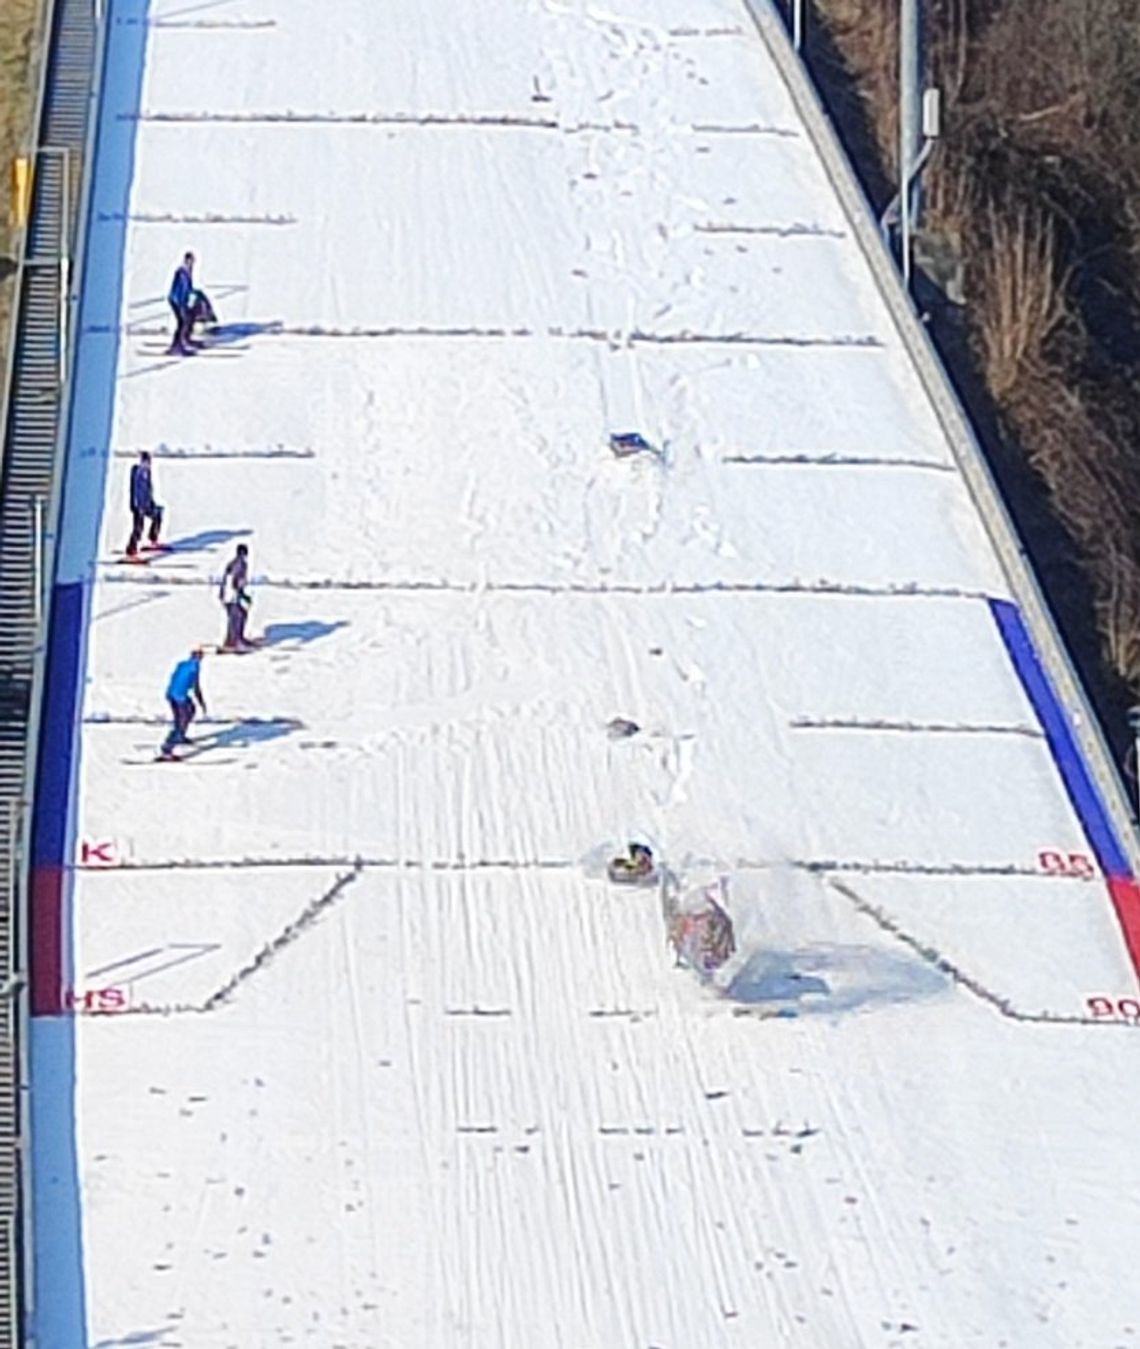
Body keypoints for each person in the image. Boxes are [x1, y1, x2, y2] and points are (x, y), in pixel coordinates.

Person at [161, 648, 206, 759]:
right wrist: (202, 702)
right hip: (180, 697)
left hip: (171, 694)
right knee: (182, 720)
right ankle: (168, 747)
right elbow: (196, 688)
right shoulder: (194, 668)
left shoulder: (182, 664)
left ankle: (179, 736)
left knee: (189, 711)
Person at [125, 450, 164, 557]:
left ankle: (153, 539)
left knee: (158, 515)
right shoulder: (138, 472)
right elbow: (136, 491)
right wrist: (139, 505)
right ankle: (131, 550)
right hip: (138, 505)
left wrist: (151, 502)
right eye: (145, 461)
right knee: (138, 527)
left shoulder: (147, 472)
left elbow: (148, 489)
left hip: (147, 503)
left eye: (149, 461)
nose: (148, 463)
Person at [219, 543, 253, 651]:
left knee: (241, 614)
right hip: (232, 594)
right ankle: (234, 641)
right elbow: (235, 580)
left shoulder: (234, 562)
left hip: (229, 593)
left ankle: (237, 638)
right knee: (236, 617)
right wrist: (240, 594)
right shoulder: (240, 564)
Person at [168, 251, 197, 355]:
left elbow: (188, 288)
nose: (192, 263)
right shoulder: (182, 272)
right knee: (183, 322)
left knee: (184, 322)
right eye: (190, 261)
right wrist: (183, 303)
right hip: (177, 300)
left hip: (180, 300)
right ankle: (178, 345)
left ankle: (181, 342)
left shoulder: (187, 271)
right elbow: (183, 288)